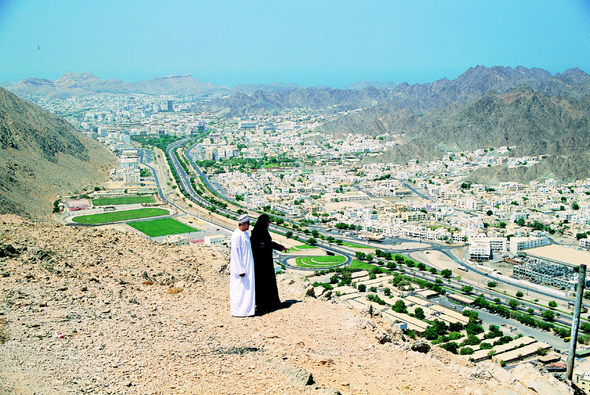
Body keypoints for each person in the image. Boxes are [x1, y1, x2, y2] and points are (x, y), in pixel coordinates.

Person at [250, 214, 288, 314]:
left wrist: (281, 247)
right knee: (266, 283)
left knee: (262, 283)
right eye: (268, 221)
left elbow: (267, 243)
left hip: (259, 262)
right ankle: (268, 305)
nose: (269, 223)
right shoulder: (261, 232)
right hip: (264, 263)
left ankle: (264, 305)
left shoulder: (256, 232)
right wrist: (281, 247)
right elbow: (268, 243)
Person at [230, 214, 255, 317]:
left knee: (248, 290)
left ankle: (248, 311)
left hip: (248, 266)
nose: (249, 225)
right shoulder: (236, 236)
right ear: (243, 224)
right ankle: (239, 311)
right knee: (240, 290)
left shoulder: (244, 234)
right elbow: (235, 254)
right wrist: (240, 270)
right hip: (241, 269)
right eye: (248, 223)